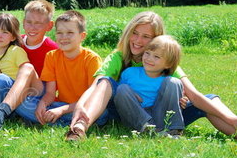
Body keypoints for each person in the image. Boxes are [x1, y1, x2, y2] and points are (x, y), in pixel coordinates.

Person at [68, 11, 237, 141]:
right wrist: (80, 105)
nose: (138, 40)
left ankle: (234, 127)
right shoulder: (118, 57)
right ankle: (80, 127)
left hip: (163, 115)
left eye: (146, 36)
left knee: (209, 100)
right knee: (106, 81)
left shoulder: (164, 61)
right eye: (135, 33)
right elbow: (97, 85)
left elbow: (193, 94)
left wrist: (228, 117)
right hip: (130, 114)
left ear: (157, 41)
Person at [0, 0, 57, 132]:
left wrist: (42, 102)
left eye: (38, 23)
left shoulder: (53, 50)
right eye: (29, 22)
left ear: (49, 26)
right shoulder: (16, 43)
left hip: (35, 93)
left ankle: (0, 114)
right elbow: (3, 63)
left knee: (25, 69)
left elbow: (51, 87)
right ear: (23, 22)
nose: (32, 27)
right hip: (13, 88)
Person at [14, 10, 104, 129]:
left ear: (82, 36)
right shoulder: (52, 56)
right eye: (60, 33)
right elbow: (50, 93)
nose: (64, 37)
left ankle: (56, 122)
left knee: (102, 114)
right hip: (60, 104)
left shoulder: (91, 59)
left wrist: (61, 111)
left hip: (84, 106)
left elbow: (92, 99)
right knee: (22, 104)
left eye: (70, 33)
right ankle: (66, 123)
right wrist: (43, 103)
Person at [114, 35, 184, 137]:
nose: (149, 58)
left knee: (174, 82)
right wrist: (130, 94)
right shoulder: (129, 73)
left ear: (168, 64)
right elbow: (119, 97)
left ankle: (173, 130)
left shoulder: (167, 81)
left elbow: (173, 100)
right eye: (147, 53)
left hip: (160, 115)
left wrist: (182, 99)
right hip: (135, 115)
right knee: (122, 89)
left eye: (156, 57)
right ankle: (146, 128)